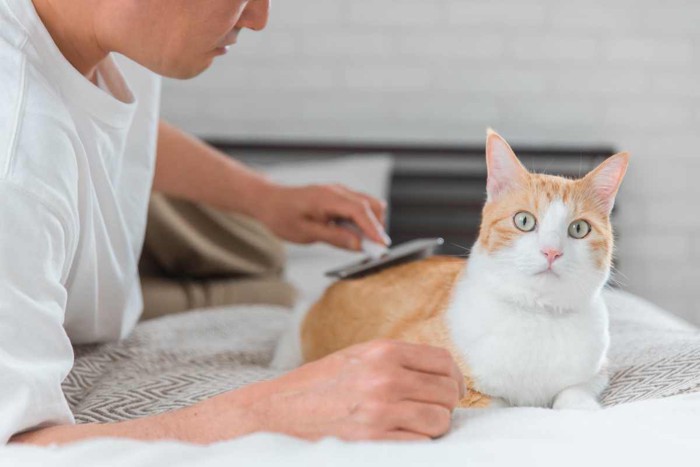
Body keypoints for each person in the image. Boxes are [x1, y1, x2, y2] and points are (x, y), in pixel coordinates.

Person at [1, 0, 465, 445]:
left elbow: (104, 116)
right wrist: (274, 414)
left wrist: (266, 199)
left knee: (275, 287)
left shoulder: (112, 33)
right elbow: (16, 446)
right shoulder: (17, 152)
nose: (260, 17)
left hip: (89, 294)